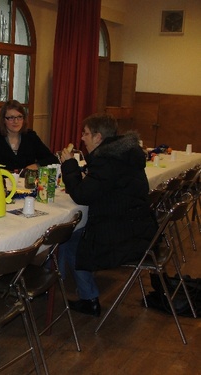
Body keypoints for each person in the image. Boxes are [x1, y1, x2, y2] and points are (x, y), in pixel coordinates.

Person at [58, 113, 157, 317]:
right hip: (139, 228)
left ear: (98, 136)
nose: (82, 138)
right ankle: (66, 289)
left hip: (122, 236)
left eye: (85, 134)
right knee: (73, 233)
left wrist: (69, 165)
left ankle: (85, 298)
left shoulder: (108, 161)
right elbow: (105, 186)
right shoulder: (123, 154)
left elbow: (81, 195)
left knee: (68, 238)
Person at [0, 99, 59, 172]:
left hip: (25, 186)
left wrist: (36, 165)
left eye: (19, 117)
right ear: (3, 120)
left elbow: (52, 159)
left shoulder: (30, 137)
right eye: (11, 118)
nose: (16, 121)